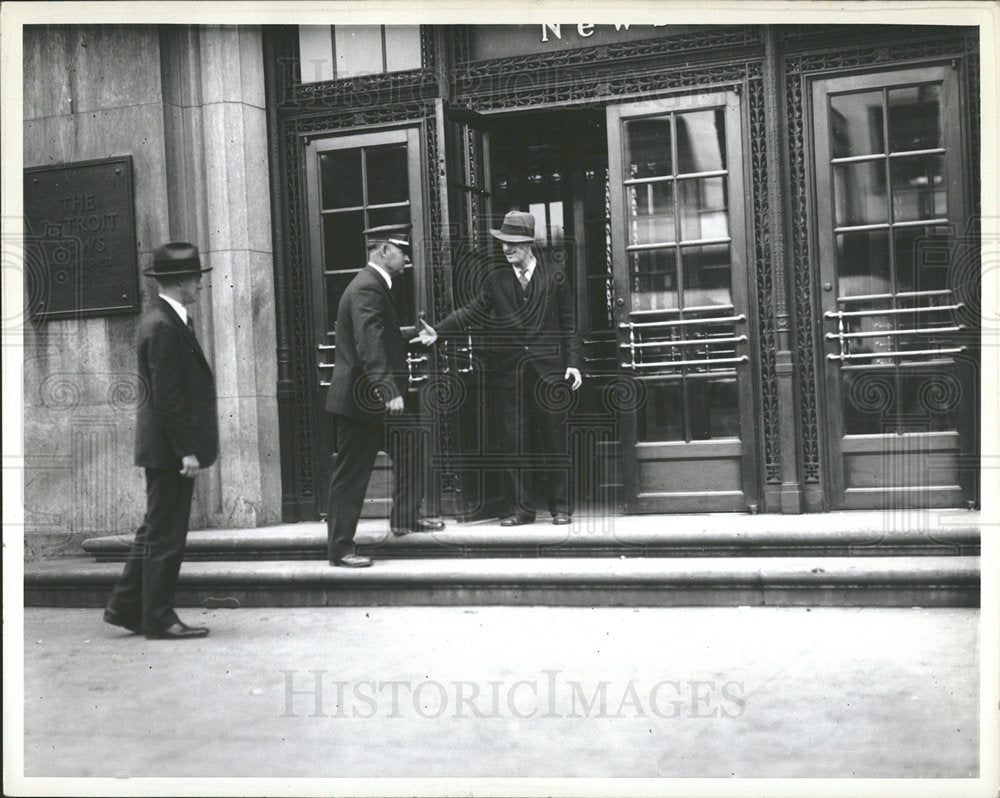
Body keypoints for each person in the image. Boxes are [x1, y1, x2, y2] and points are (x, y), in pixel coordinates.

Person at [412, 210, 582, 526]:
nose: (507, 249)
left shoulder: (555, 275)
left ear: (529, 244)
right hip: (510, 375)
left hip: (549, 372)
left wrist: (573, 364)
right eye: (504, 243)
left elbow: (570, 323)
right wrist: (439, 331)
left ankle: (561, 507)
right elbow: (471, 311)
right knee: (514, 441)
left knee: (555, 439)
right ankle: (521, 509)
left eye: (514, 244)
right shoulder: (497, 280)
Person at [104, 242, 218, 639]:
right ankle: (158, 617)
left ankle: (125, 607)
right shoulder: (164, 325)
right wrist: (186, 449)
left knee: (154, 530)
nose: (200, 284)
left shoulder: (165, 320)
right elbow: (168, 397)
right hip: (170, 449)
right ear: (184, 280)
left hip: (163, 447)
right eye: (197, 278)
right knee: (166, 536)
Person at [325, 224, 445, 567]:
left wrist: (411, 336)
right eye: (402, 251)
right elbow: (368, 345)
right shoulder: (367, 288)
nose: (407, 258)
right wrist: (388, 389)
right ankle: (340, 548)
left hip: (373, 399)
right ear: (383, 251)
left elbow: (382, 336)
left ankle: (405, 518)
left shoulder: (374, 285)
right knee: (351, 475)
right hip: (362, 402)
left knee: (413, 445)